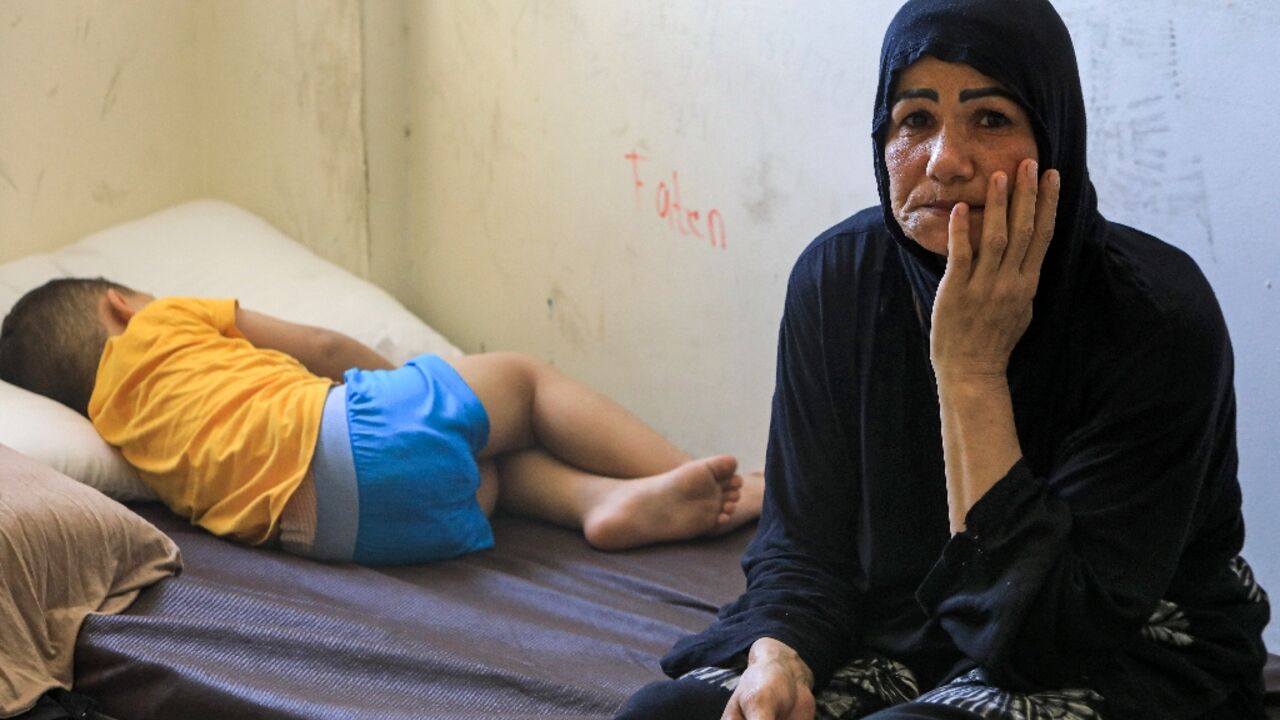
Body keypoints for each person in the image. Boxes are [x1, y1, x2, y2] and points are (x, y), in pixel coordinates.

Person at [614, 0, 1270, 718]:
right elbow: (804, 545)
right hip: (896, 633)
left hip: (1122, 642)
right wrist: (782, 655)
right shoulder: (838, 281)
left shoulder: (1154, 317)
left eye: (990, 119)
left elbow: (1045, 638)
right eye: (915, 121)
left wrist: (970, 371)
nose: (944, 160)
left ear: (1053, 138)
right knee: (664, 714)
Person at [0, 280, 764, 565]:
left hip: (343, 536)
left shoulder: (115, 428)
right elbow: (326, 348)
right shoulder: (160, 321)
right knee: (524, 385)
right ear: (118, 305)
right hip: (352, 432)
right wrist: (411, 388)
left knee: (485, 457)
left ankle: (596, 504)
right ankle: (694, 479)